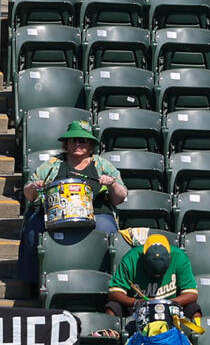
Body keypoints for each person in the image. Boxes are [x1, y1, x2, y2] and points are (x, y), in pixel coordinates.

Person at [17, 120, 128, 286]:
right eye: (72, 140)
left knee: (109, 230)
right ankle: (32, 281)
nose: (77, 144)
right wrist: (34, 186)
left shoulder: (102, 165)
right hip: (54, 211)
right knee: (33, 229)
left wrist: (112, 184)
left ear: (91, 144)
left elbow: (121, 197)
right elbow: (29, 194)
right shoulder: (53, 164)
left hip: (95, 212)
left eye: (82, 140)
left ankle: (109, 281)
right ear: (66, 144)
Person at [106, 233, 200, 322]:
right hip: (136, 310)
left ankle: (193, 338)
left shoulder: (180, 258)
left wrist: (165, 303)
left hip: (171, 310)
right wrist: (136, 302)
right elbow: (114, 293)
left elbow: (192, 294)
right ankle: (113, 335)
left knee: (194, 309)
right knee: (112, 307)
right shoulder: (131, 259)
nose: (156, 277)